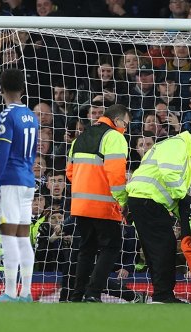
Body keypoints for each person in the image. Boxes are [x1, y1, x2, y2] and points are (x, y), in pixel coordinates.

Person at [126, 124, 191, 303]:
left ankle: (162, 293)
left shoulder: (176, 146)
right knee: (164, 247)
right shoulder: (178, 146)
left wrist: (182, 212)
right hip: (147, 201)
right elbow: (170, 176)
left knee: (158, 248)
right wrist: (183, 197)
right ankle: (162, 295)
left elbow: (168, 186)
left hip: (144, 200)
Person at [66, 103, 130, 302]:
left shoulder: (81, 137)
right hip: (104, 205)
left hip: (80, 205)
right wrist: (123, 201)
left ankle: (77, 295)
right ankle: (93, 293)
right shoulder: (115, 138)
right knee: (110, 248)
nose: (126, 128)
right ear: (117, 120)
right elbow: (116, 175)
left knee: (86, 249)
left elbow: (69, 172)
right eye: (125, 124)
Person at [0, 68, 39, 302]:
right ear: (23, 88)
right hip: (28, 181)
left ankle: (9, 292)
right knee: (23, 237)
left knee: (8, 236)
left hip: (11, 181)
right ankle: (25, 292)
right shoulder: (31, 115)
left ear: (1, 89)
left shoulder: (7, 115)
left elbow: (2, 153)